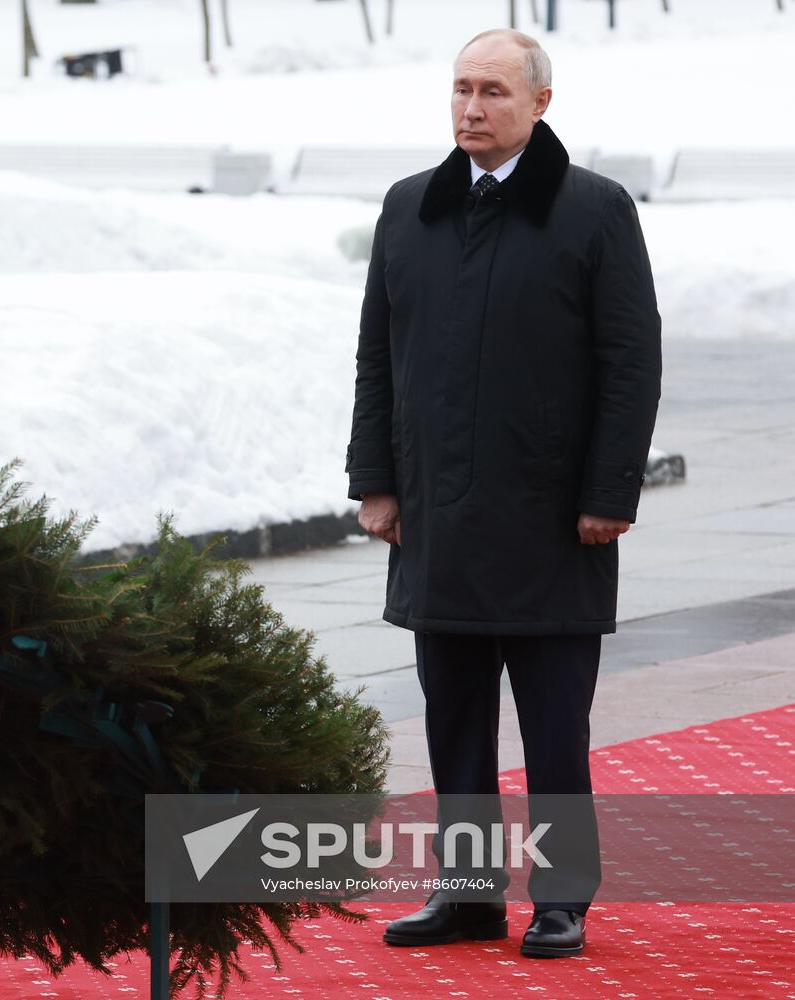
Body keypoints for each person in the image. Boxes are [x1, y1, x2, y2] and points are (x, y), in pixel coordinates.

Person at [344, 27, 662, 958]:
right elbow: (376, 356)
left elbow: (629, 361)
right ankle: (469, 894)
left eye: (491, 91)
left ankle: (561, 898)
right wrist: (375, 481)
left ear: (539, 104)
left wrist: (610, 491)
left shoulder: (594, 210)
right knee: (453, 722)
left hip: (554, 520)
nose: (470, 108)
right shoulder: (408, 209)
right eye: (459, 89)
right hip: (436, 519)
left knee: (554, 725)